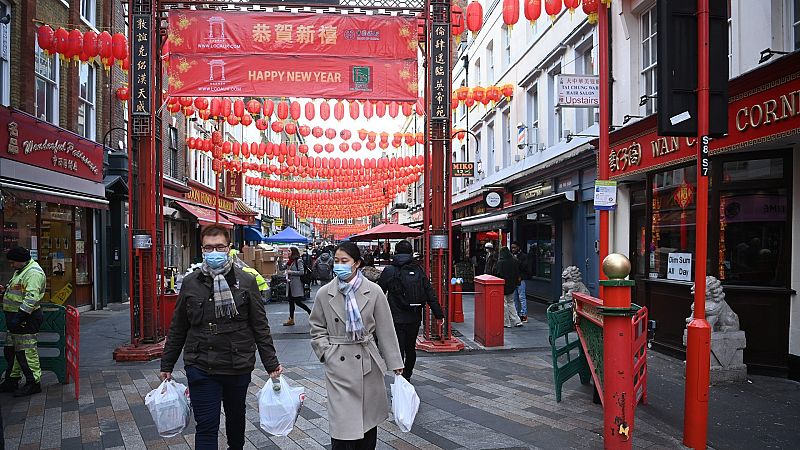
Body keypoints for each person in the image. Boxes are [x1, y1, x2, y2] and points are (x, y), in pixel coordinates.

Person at [160, 225, 283, 450]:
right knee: (206, 426)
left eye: (219, 247)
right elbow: (178, 327)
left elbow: (260, 326)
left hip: (237, 364)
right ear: (202, 249)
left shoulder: (246, 280)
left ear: (228, 248)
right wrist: (167, 363)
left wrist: (271, 363)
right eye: (208, 248)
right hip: (201, 364)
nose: (214, 252)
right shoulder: (191, 282)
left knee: (235, 421)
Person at [309, 242, 404, 449]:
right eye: (336, 261)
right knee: (342, 428)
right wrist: (326, 353)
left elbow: (385, 329)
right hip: (338, 365)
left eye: (344, 261)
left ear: (357, 263)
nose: (339, 265)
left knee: (367, 423)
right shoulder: (324, 293)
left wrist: (395, 362)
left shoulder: (374, 291)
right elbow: (316, 326)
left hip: (367, 363)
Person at [377, 240, 445, 381]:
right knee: (410, 348)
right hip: (414, 316)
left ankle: (399, 377)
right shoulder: (418, 270)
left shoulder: (389, 270)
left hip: (395, 317)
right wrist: (438, 314)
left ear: (396, 252)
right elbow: (429, 293)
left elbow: (378, 293)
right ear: (410, 253)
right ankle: (407, 376)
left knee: (399, 347)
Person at [0, 246, 46, 396]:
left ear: (21, 260)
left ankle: (34, 383)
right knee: (12, 351)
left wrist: (20, 317)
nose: (11, 265)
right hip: (16, 318)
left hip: (25, 318)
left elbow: (31, 298)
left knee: (26, 352)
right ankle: (12, 380)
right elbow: (19, 291)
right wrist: (5, 290)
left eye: (13, 262)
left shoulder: (33, 273)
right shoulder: (21, 270)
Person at [495, 247, 523, 328]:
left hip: (503, 285)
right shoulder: (515, 261)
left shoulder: (500, 262)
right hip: (512, 285)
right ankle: (517, 321)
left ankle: (506, 322)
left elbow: (498, 273)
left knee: (504, 304)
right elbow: (518, 273)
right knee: (511, 303)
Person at [284, 247, 311, 326]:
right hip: (290, 285)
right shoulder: (289, 261)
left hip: (296, 284)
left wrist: (291, 272)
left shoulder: (298, 261)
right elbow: (282, 268)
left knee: (298, 302)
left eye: (289, 251)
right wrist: (278, 260)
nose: (288, 252)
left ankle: (311, 313)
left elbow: (301, 272)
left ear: (293, 252)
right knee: (291, 302)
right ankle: (291, 319)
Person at [510, 241, 529, 323]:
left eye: (514, 247)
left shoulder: (523, 256)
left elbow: (524, 267)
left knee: (522, 297)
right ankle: (516, 314)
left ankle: (523, 315)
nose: (513, 249)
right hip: (513, 279)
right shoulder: (511, 256)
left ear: (518, 247)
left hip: (521, 279)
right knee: (514, 298)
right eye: (512, 248)